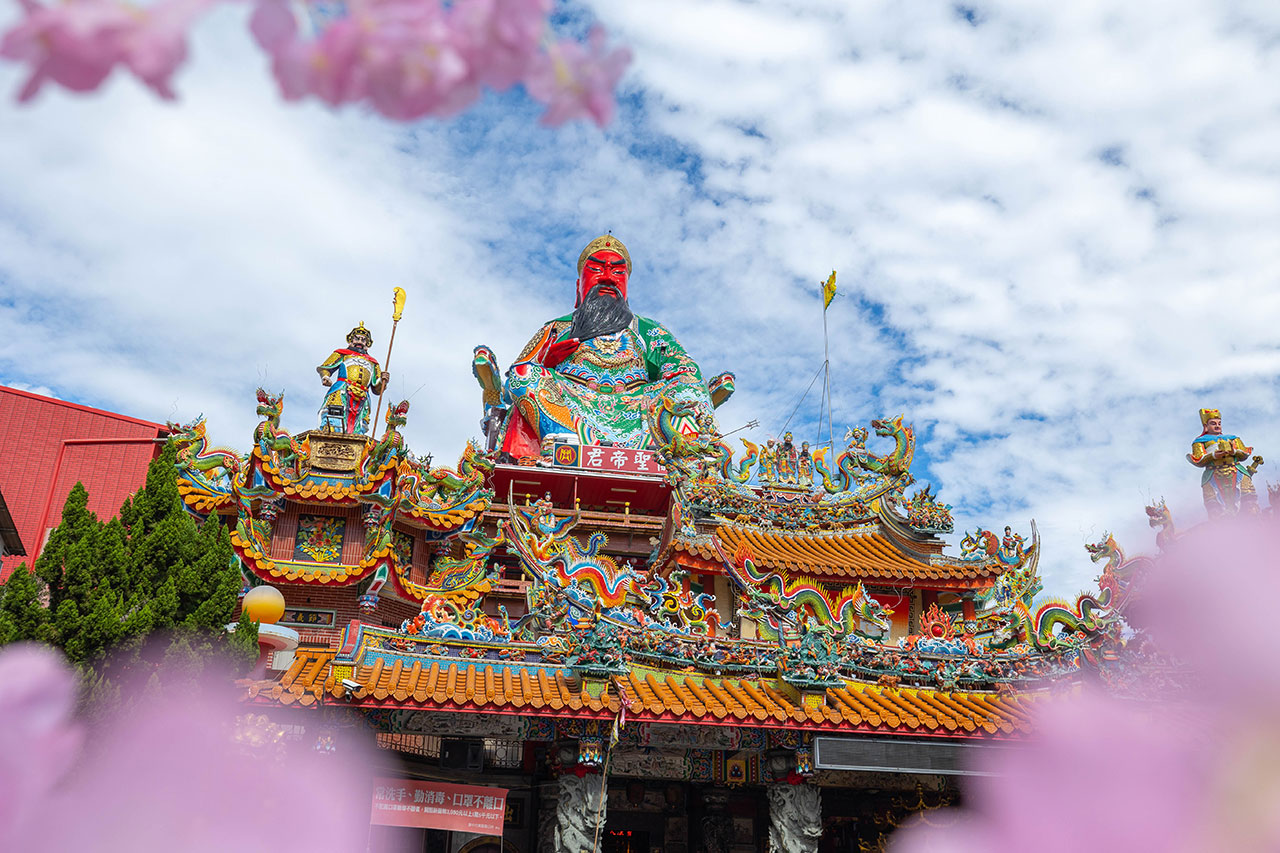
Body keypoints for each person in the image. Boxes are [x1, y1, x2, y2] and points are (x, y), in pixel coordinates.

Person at [499, 235, 718, 457]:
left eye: (617, 272)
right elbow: (510, 388)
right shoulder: (557, 328)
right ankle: (567, 439)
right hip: (570, 404)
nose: (608, 278)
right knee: (523, 373)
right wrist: (546, 362)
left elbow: (677, 363)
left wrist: (679, 379)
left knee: (689, 381)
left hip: (636, 407)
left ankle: (676, 448)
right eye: (596, 270)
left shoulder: (648, 330)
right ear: (579, 285)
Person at [316, 322, 389, 435]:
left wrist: (383, 381)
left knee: (360, 425)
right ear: (351, 340)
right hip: (342, 389)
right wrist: (325, 376)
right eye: (357, 339)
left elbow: (377, 389)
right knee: (335, 417)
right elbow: (325, 367)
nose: (360, 342)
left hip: (363, 396)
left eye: (363, 340)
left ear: (367, 344)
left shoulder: (373, 363)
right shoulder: (342, 354)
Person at [1188, 408, 1262, 516]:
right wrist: (1213, 455)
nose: (1217, 426)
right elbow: (1198, 459)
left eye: (1219, 423)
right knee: (1214, 506)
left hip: (1236, 470)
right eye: (1213, 424)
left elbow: (1244, 454)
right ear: (1206, 426)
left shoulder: (1233, 438)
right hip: (1213, 474)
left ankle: (1252, 516)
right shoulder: (1199, 442)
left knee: (1248, 499)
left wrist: (1234, 451)